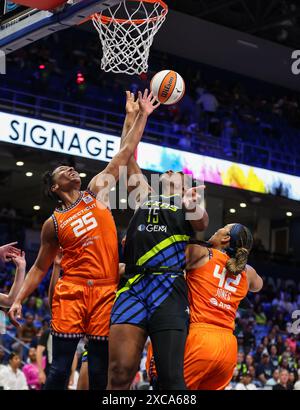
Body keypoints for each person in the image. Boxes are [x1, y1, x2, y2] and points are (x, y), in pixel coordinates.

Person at [8, 89, 160, 391]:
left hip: (105, 290)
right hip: (72, 291)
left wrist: (137, 115)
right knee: (60, 369)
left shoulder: (96, 192)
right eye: (63, 170)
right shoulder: (53, 223)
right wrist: (19, 300)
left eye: (71, 167)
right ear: (54, 186)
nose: (71, 169)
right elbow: (40, 267)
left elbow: (124, 152)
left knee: (100, 368)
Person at [107, 92, 209, 390]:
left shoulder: (187, 204)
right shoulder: (145, 197)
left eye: (176, 172)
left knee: (170, 378)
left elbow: (201, 223)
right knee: (120, 372)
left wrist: (193, 204)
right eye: (166, 170)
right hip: (134, 286)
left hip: (168, 290)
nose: (168, 171)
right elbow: (125, 156)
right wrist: (134, 117)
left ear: (185, 185)